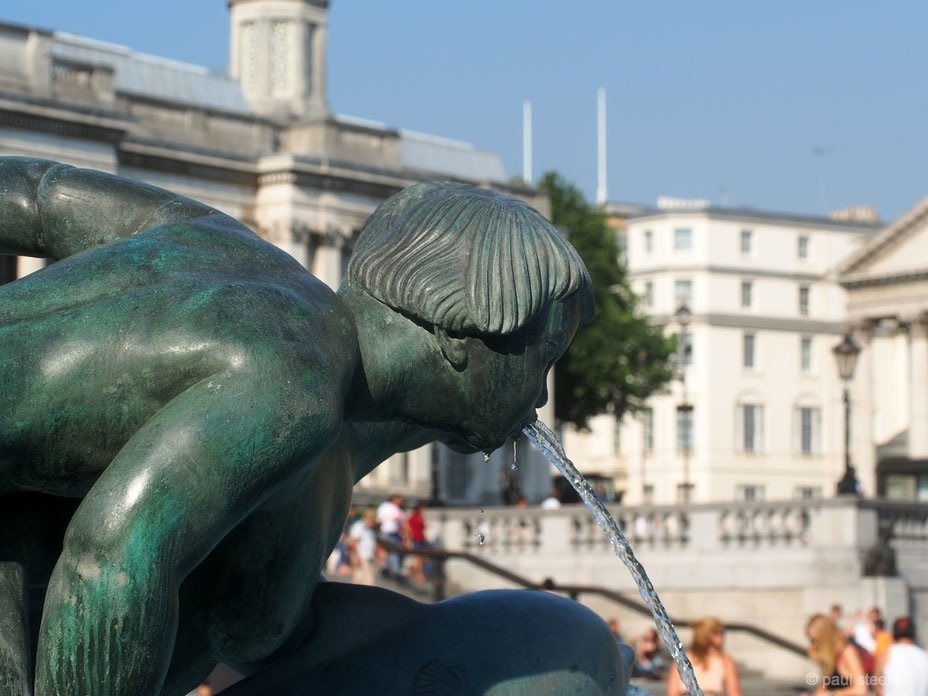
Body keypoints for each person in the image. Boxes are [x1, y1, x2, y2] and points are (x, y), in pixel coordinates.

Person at [0, 159, 599, 694]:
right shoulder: (295, 381)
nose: (542, 394)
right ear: (461, 337)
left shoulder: (232, 251)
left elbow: (40, 195)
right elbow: (110, 564)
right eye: (540, 358)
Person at [666, 617, 741, 696]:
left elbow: (734, 691)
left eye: (722, 632)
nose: (723, 636)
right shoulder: (683, 658)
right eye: (718, 632)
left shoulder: (725, 660)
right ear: (706, 634)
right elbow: (672, 692)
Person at [806, 613, 867, 695]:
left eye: (814, 640)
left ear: (825, 637)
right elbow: (823, 690)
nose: (813, 646)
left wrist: (832, 694)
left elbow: (861, 689)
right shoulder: (830, 657)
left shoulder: (847, 652)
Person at [876, 616, 928, 696]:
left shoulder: (885, 655)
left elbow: (878, 690)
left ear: (893, 636)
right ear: (914, 636)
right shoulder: (924, 656)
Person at [376, 493, 406, 578]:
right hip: (386, 532)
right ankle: (384, 568)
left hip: (395, 533)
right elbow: (379, 519)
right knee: (384, 551)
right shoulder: (385, 506)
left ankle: (395, 570)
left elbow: (402, 523)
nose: (401, 502)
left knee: (394, 551)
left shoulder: (399, 509)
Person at [348, 509, 379, 586]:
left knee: (367, 583)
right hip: (361, 557)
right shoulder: (359, 526)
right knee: (361, 582)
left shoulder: (370, 529)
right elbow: (353, 543)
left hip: (368, 558)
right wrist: (355, 557)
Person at [405, 502, 430, 584]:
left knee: (422, 557)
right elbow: (407, 528)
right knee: (419, 558)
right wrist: (408, 540)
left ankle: (415, 570)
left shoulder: (421, 517)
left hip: (421, 539)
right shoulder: (413, 517)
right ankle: (419, 575)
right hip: (415, 539)